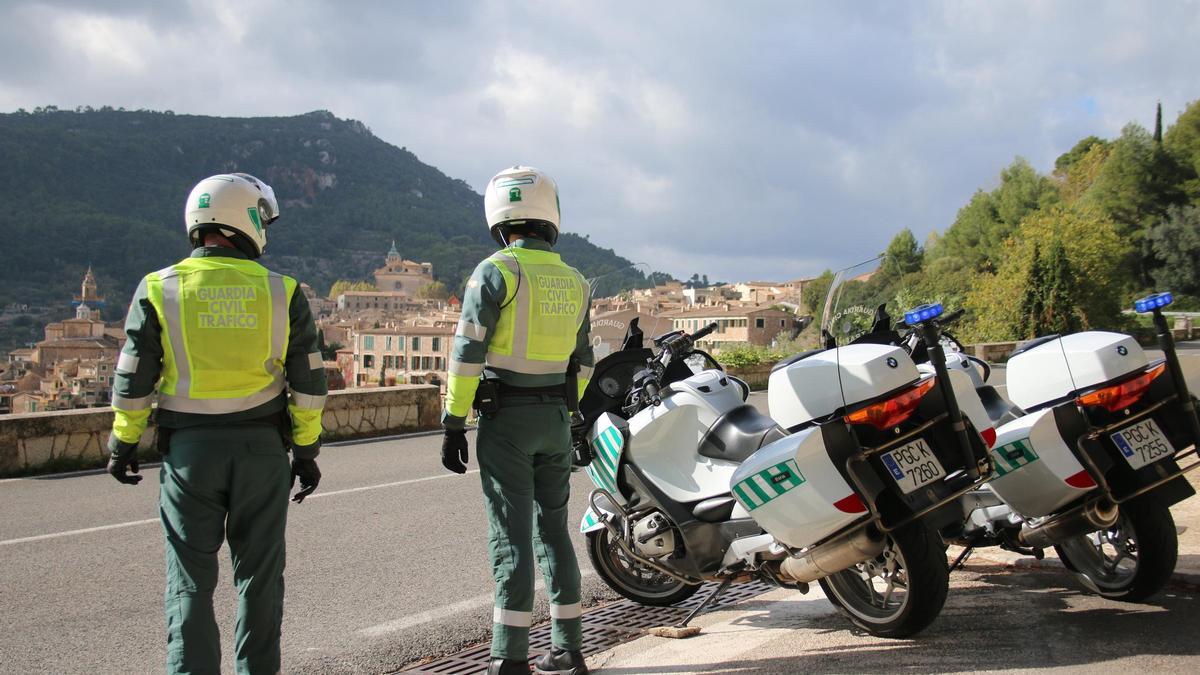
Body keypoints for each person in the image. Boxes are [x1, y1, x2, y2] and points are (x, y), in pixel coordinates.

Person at [106, 173, 328, 675]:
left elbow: (132, 380)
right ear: (247, 219)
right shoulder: (283, 291)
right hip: (262, 451)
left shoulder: (158, 288)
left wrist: (123, 442)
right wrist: (307, 452)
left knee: (189, 580)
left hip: (189, 454)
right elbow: (310, 384)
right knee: (260, 578)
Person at [442, 166, 595, 675]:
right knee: (554, 531)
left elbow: (466, 354)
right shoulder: (576, 282)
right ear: (550, 215)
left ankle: (509, 659)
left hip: (506, 420)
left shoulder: (495, 272)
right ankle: (569, 648)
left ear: (499, 218)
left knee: (510, 536)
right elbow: (585, 363)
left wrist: (452, 420)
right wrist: (574, 416)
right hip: (555, 417)